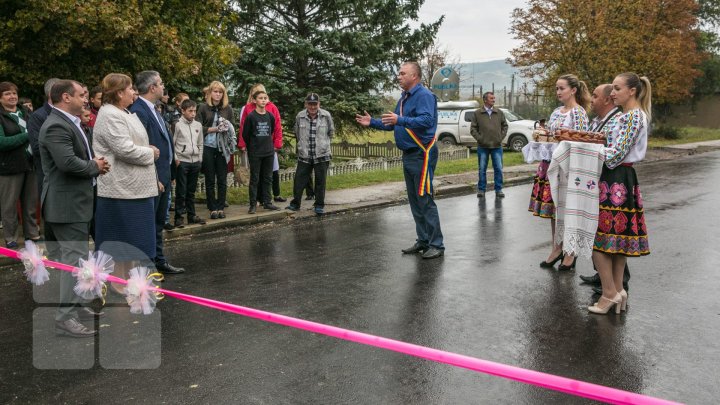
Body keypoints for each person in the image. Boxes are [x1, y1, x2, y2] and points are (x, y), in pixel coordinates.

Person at [39, 79, 110, 337]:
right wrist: (95, 166)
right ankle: (64, 318)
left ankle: (77, 306)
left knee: (79, 260)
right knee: (72, 263)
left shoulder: (69, 122)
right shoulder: (56, 125)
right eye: (82, 95)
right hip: (66, 206)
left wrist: (92, 164)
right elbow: (67, 163)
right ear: (66, 98)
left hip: (76, 203)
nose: (86, 99)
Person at [355, 61, 444, 259]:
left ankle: (437, 244)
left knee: (425, 199)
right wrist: (372, 123)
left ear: (415, 76)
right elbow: (393, 123)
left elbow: (427, 121)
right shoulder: (405, 97)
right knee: (414, 200)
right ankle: (423, 240)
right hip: (409, 154)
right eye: (399, 73)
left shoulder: (424, 96)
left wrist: (400, 120)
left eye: (403, 73)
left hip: (422, 153)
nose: (399, 76)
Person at [588, 72, 651, 314]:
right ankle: (617, 291)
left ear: (632, 90)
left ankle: (609, 294)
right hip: (620, 178)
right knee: (616, 240)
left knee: (600, 239)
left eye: (616, 88)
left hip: (616, 177)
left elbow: (615, 156)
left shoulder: (634, 116)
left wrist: (588, 149)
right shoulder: (628, 115)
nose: (612, 93)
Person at [93, 73, 160, 293]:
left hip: (136, 188)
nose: (134, 92)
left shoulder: (125, 112)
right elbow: (124, 149)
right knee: (123, 241)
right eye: (130, 88)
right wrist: (150, 152)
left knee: (136, 242)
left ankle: (132, 282)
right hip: (122, 189)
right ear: (119, 92)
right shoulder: (110, 114)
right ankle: (119, 285)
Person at [530, 73, 589, 271]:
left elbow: (582, 141)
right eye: (556, 88)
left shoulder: (579, 113)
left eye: (561, 88)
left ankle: (570, 252)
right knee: (555, 210)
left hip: (568, 168)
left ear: (573, 90)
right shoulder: (556, 111)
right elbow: (552, 135)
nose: (558, 92)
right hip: (550, 165)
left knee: (568, 209)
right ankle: (557, 247)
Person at [129, 71, 185, 275]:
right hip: (152, 178)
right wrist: (154, 177)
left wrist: (169, 171)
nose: (163, 87)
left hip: (163, 175)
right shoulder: (139, 111)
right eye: (160, 83)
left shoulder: (155, 109)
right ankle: (147, 265)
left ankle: (159, 260)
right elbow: (142, 146)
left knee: (159, 222)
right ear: (152, 87)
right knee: (149, 223)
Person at [579, 84, 630, 292]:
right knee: (602, 228)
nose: (591, 99)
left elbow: (616, 151)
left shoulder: (618, 119)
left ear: (607, 100)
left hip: (612, 177)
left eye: (595, 96)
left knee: (611, 229)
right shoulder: (598, 120)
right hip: (597, 176)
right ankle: (602, 276)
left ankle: (618, 283)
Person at [0, 81, 40, 248]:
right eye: (7, 93)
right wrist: (27, 135)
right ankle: (10, 238)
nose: (12, 96)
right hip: (9, 167)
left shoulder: (26, 112)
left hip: (30, 164)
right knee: (9, 206)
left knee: (30, 203)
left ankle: (32, 234)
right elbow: (2, 142)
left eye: (14, 93)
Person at [286, 93, 335, 215]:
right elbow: (297, 132)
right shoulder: (300, 116)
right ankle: (295, 204)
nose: (312, 107)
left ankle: (319, 205)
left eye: (315, 104)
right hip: (305, 155)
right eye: (310, 104)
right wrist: (302, 146)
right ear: (306, 104)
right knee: (299, 180)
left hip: (322, 155)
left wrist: (323, 144)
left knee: (320, 181)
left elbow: (331, 132)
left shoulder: (326, 115)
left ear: (319, 104)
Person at [238, 84, 284, 204]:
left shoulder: (272, 108)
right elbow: (244, 128)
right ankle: (256, 200)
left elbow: (277, 126)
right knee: (256, 175)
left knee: (269, 174)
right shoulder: (248, 109)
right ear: (254, 97)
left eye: (264, 96)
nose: (263, 99)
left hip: (268, 146)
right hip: (255, 147)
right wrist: (245, 144)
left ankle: (267, 199)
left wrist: (277, 143)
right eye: (259, 95)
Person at [197, 81, 235, 219]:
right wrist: (214, 129)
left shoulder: (228, 109)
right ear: (210, 93)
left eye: (220, 92)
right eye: (215, 91)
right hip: (207, 146)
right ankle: (212, 208)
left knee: (222, 178)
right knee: (210, 178)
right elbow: (197, 128)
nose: (218, 94)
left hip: (222, 148)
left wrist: (227, 127)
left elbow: (232, 128)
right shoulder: (202, 108)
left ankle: (220, 207)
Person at [173, 99, 206, 227]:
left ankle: (191, 216)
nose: (193, 114)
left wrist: (200, 158)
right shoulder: (177, 125)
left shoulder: (197, 125)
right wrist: (176, 158)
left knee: (191, 191)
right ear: (183, 111)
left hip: (195, 161)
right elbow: (173, 143)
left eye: (194, 111)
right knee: (181, 191)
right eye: (190, 111)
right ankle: (179, 217)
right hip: (183, 161)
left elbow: (200, 143)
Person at [470, 91, 508, 199]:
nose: (494, 100)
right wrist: (480, 139)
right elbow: (473, 129)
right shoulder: (477, 113)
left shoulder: (499, 112)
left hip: (497, 146)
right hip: (483, 146)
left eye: (494, 98)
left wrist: (500, 137)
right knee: (482, 169)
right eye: (491, 98)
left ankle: (499, 189)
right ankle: (481, 189)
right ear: (485, 100)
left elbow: (505, 126)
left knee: (499, 169)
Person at [27, 78, 60, 196]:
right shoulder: (38, 116)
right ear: (52, 94)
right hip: (49, 175)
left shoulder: (71, 114)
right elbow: (36, 148)